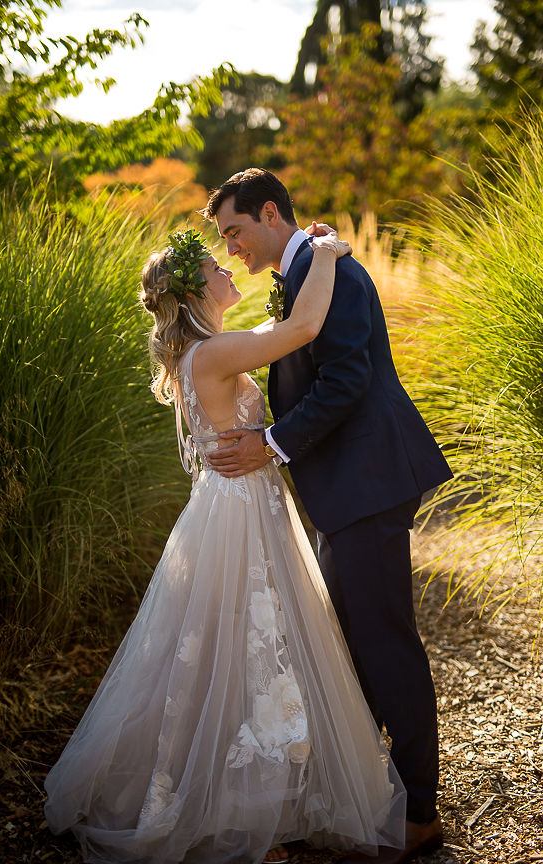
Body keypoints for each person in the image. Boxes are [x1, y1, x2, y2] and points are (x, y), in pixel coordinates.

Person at [43, 227, 408, 864]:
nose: (229, 269)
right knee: (241, 638)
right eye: (217, 266)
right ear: (194, 292)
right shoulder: (210, 356)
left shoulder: (205, 352)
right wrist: (326, 254)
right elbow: (299, 331)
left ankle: (260, 788)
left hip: (241, 503)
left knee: (241, 641)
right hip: (238, 512)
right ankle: (232, 798)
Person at [202, 168, 453, 864]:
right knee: (351, 649)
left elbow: (348, 378)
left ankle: (421, 815)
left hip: (367, 482)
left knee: (384, 646)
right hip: (347, 487)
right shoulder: (310, 262)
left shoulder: (320, 263)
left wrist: (272, 444)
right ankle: (362, 795)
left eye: (235, 231)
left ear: (272, 213)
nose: (231, 249)